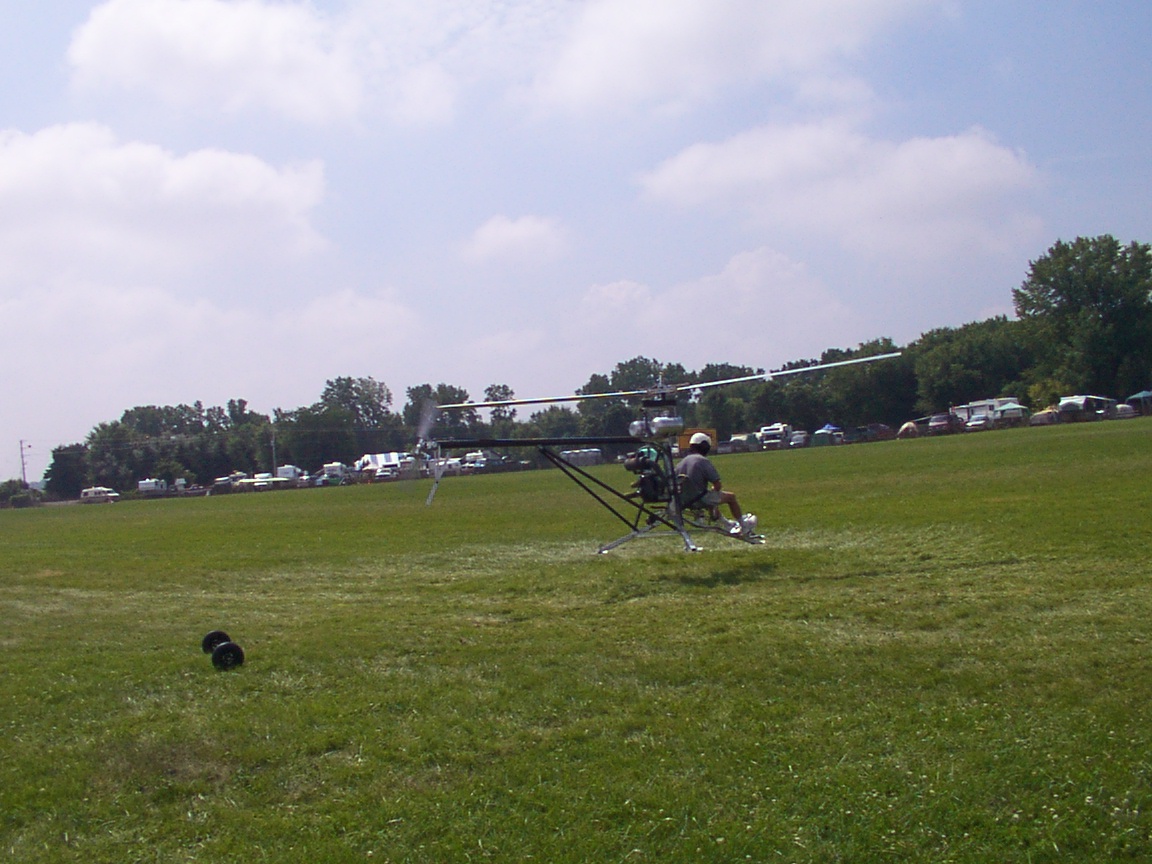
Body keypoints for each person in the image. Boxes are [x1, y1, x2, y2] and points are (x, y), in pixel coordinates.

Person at [676, 432, 753, 535]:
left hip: (684, 500)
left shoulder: (681, 463)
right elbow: (717, 485)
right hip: (699, 499)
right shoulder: (702, 461)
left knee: (709, 495)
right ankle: (743, 526)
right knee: (730, 497)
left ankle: (726, 523)